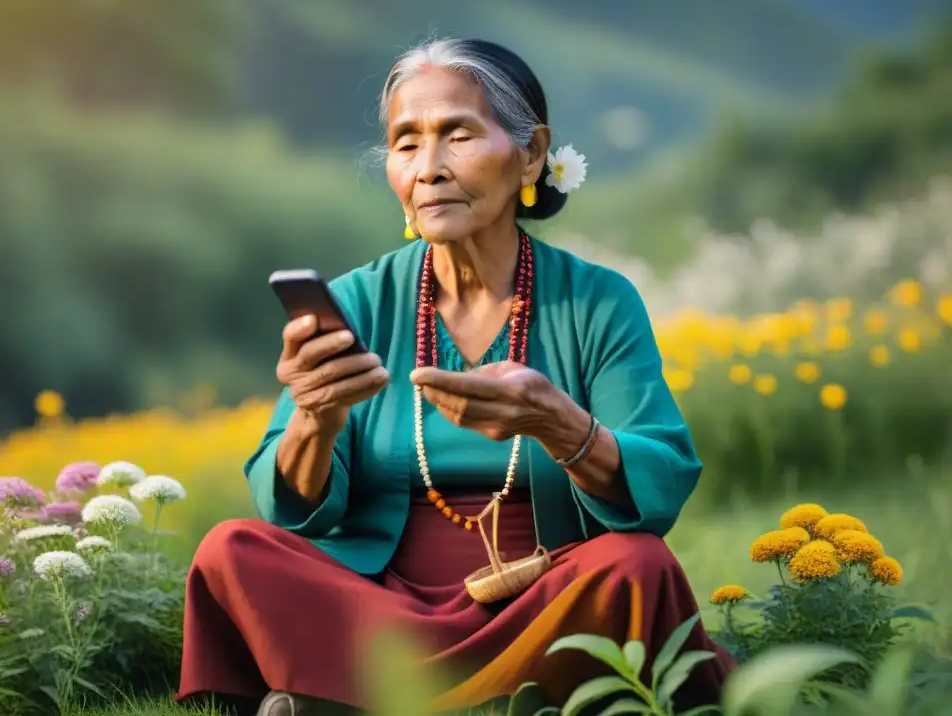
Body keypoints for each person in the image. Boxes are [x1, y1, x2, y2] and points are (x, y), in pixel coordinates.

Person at [177, 37, 735, 716]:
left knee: (637, 567)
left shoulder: (597, 300)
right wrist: (314, 418)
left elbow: (661, 481)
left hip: (544, 597)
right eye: (406, 143)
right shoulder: (357, 301)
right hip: (381, 601)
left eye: (458, 135)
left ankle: (340, 699)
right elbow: (287, 508)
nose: (429, 167)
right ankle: (479, 697)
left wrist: (558, 424)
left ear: (530, 153)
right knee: (233, 548)